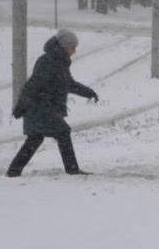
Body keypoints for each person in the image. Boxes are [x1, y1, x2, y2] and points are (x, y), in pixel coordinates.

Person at [7, 29, 99, 177]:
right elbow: (33, 84)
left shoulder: (60, 62)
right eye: (72, 47)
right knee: (62, 132)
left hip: (44, 109)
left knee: (35, 138)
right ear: (63, 46)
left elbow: (69, 84)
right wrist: (22, 105)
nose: (74, 51)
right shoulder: (47, 61)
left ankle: (13, 172)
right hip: (39, 108)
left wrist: (88, 92)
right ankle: (72, 170)